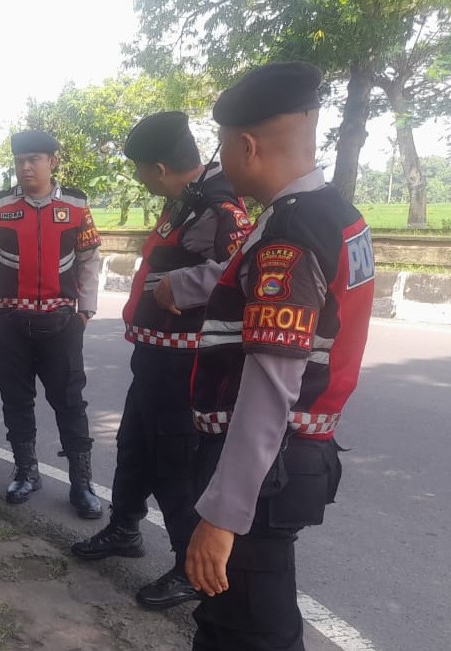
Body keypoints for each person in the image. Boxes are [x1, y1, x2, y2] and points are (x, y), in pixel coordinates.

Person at [168, 63, 374, 650]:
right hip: (290, 458)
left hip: (260, 470)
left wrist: (222, 516)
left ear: (246, 145)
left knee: (249, 633)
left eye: (224, 147)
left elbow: (268, 387)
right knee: (243, 627)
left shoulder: (289, 233)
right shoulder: (336, 213)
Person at [71, 112, 253, 609]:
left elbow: (242, 270)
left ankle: (186, 567)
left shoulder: (221, 206)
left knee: (177, 462)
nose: (136, 179)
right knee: (134, 445)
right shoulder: (185, 201)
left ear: (156, 168)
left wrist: (183, 285)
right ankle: (125, 528)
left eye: (137, 171)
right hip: (154, 354)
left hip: (187, 364)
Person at [0, 130, 103, 519]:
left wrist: (85, 311)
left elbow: (90, 259)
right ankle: (26, 471)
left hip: (62, 322)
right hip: (8, 322)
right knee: (15, 398)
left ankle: (82, 483)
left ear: (53, 162)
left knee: (70, 402)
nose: (26, 167)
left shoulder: (77, 205)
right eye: (20, 161)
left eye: (34, 159)